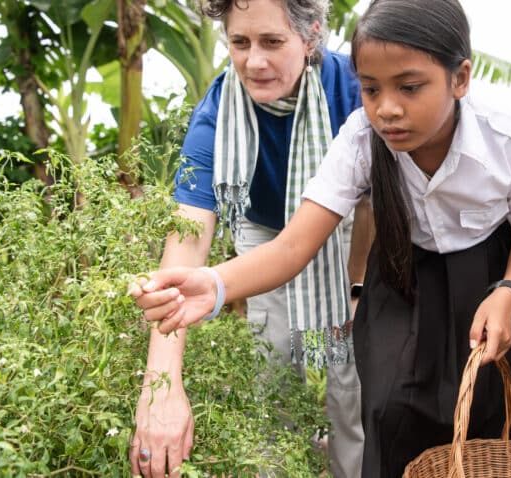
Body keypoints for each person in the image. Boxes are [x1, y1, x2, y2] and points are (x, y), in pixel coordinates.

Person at [132, 0, 511, 476]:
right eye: (371, 89)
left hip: (484, 273)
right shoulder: (356, 135)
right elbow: (291, 246)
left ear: (460, 79)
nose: (388, 108)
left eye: (410, 87)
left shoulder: (508, 143)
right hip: (388, 267)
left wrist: (508, 290)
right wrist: (212, 285)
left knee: (488, 404)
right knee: (387, 403)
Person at [127, 1, 373, 477]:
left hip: (349, 226)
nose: (253, 61)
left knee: (355, 378)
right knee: (275, 370)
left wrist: (358, 286)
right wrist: (160, 389)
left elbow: (375, 205)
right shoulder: (217, 114)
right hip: (263, 231)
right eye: (240, 42)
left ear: (312, 36)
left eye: (273, 42)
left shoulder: (353, 88)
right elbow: (186, 246)